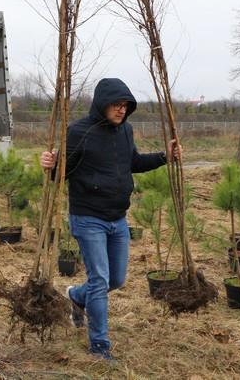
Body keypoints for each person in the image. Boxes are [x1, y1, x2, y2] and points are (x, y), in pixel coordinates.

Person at [40, 78, 180, 362]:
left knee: (115, 279)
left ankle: (77, 297)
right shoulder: (79, 131)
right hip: (87, 217)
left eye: (125, 105)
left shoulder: (125, 130)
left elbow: (133, 162)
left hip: (117, 218)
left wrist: (164, 156)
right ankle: (99, 346)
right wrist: (51, 166)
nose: (121, 110)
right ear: (102, 104)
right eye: (116, 105)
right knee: (100, 279)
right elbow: (62, 172)